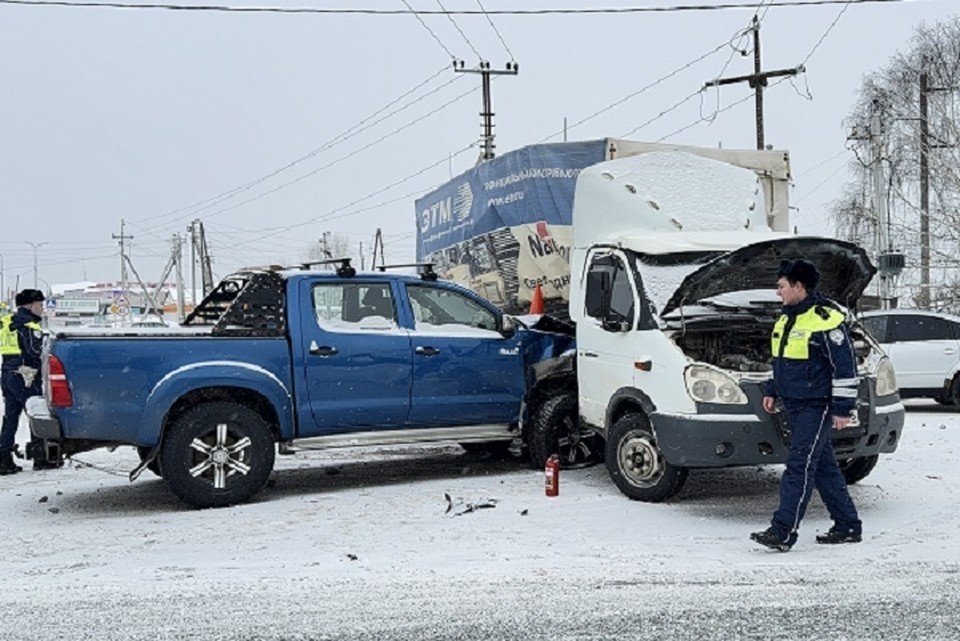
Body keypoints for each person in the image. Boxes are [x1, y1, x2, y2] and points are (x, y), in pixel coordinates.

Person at [750, 259, 862, 551]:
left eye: (781, 286)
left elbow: (845, 367)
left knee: (799, 465)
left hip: (818, 405)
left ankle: (783, 531)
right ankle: (848, 524)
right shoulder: (786, 319)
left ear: (798, 286)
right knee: (824, 467)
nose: (778, 292)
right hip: (795, 404)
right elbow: (782, 361)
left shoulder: (826, 320)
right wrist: (773, 389)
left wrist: (841, 408)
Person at [1, 288, 60, 475]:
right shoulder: (29, 325)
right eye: (40, 305)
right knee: (37, 413)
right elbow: (35, 352)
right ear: (30, 305)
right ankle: (41, 457)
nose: (42, 309)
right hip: (25, 374)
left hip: (7, 371)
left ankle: (4, 459)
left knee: (10, 417)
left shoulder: (5, 322)